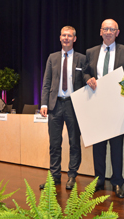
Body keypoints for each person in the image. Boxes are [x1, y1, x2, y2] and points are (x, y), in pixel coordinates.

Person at [83, 19, 124, 198]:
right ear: (100, 31)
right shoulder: (91, 52)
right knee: (99, 146)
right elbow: (86, 71)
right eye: (106, 29)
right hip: (97, 105)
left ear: (117, 32)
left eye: (112, 29)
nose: (109, 32)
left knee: (117, 146)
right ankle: (99, 181)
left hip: (118, 105)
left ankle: (117, 182)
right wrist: (88, 78)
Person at [39, 26, 86, 190]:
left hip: (74, 105)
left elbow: (86, 81)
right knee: (54, 143)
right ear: (60, 38)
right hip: (55, 105)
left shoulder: (82, 58)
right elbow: (46, 83)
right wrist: (44, 103)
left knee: (74, 142)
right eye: (64, 35)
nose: (66, 38)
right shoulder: (52, 58)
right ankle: (54, 177)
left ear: (75, 38)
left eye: (70, 35)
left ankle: (72, 175)